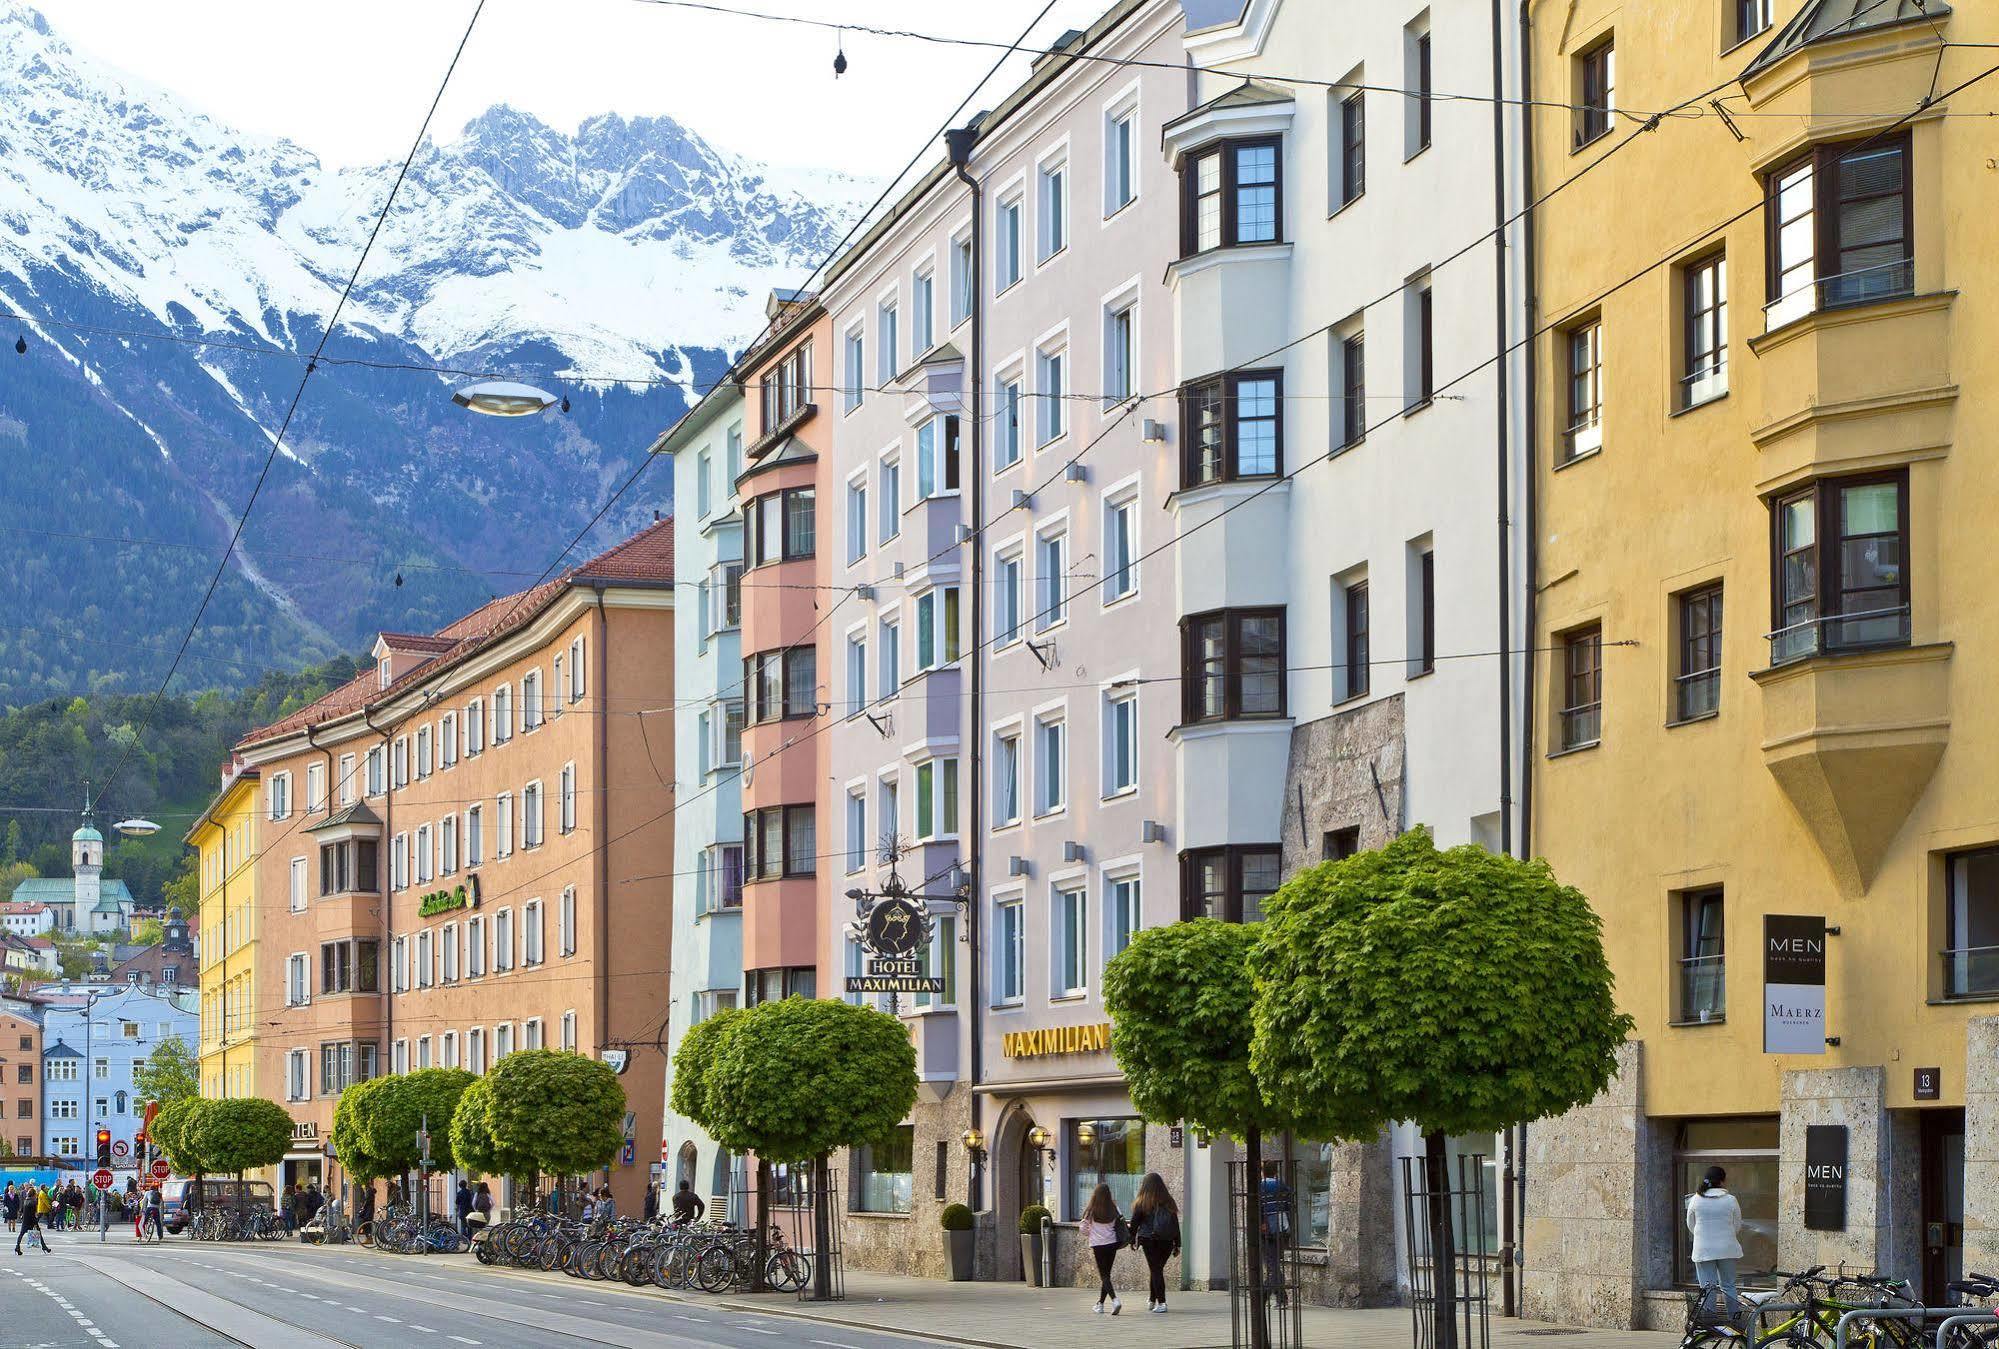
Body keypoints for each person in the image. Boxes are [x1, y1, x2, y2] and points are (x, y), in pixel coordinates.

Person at [1686, 1165, 1744, 1326]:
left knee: (1708, 1288)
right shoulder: (1731, 1200)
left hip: (1703, 1249)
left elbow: (1690, 1224)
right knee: (1728, 1286)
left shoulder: (1696, 1200)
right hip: (1727, 1249)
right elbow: (1737, 1225)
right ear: (1722, 1181)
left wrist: (1703, 1236)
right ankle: (1735, 1322)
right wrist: (1725, 1235)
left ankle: (1708, 1323)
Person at [1129, 1172, 1182, 1315]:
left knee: (1156, 1270)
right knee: (1156, 1269)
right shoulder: (1169, 1201)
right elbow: (1175, 1224)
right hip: (1167, 1241)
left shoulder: (1142, 1201)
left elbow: (1134, 1223)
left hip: (1149, 1240)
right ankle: (1152, 1299)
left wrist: (1131, 1240)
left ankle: (1162, 1302)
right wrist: (1177, 1244)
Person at [1080, 1182, 1125, 1315]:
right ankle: (1100, 1304)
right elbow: (1121, 1220)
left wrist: (1091, 1233)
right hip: (1112, 1244)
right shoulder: (1114, 1207)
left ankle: (1115, 1300)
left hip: (1098, 1245)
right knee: (1107, 1275)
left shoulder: (1091, 1209)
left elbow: (1083, 1228)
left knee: (1104, 1276)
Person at [1258, 1163, 1293, 1308]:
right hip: (1283, 1229)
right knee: (1274, 1264)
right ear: (1275, 1171)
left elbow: (1257, 1208)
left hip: (1267, 1231)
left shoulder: (1260, 1187)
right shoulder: (1282, 1185)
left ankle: (1264, 1296)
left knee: (1272, 1265)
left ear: (1262, 1172)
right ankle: (1281, 1298)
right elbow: (1290, 1203)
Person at [16, 1184, 48, 1255]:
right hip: (32, 1221)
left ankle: (17, 1247)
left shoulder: (26, 1200)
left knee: (21, 1234)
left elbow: (23, 1211)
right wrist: (35, 1222)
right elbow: (33, 1214)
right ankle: (44, 1247)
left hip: (25, 1220)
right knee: (39, 1233)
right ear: (34, 1194)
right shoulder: (33, 1202)